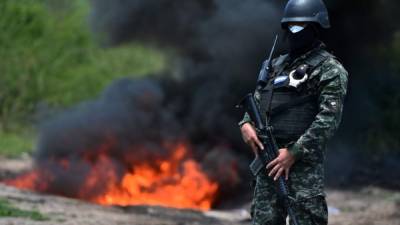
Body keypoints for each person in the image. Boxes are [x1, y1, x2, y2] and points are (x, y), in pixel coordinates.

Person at [238, 0, 348, 224]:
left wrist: (293, 152)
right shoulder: (275, 66)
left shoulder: (329, 69)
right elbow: (258, 103)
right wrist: (245, 124)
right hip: (268, 164)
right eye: (290, 26)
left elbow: (328, 120)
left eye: (300, 25)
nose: (293, 31)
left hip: (302, 168)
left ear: (315, 27)